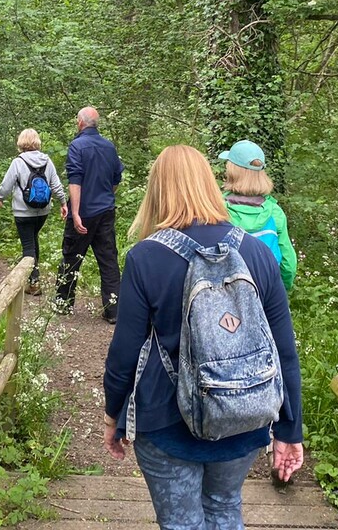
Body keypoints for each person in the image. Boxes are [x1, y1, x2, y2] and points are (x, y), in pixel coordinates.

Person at [102, 146, 304, 530]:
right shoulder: (257, 253)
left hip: (164, 421)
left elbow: (124, 353)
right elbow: (284, 351)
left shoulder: (146, 257)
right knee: (225, 507)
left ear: (157, 190)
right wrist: (289, 429)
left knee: (180, 523)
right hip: (242, 417)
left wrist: (114, 415)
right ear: (211, 184)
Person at [54, 106, 125, 324]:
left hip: (84, 213)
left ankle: (63, 304)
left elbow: (75, 180)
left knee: (71, 256)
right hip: (105, 211)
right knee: (108, 259)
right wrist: (105, 197)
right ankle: (113, 310)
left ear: (80, 123)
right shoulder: (109, 146)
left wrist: (74, 213)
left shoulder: (77, 146)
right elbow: (116, 180)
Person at [219, 140, 297, 293]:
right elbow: (288, 264)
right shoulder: (274, 212)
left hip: (227, 296)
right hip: (265, 292)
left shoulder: (217, 209)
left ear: (232, 171)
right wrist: (280, 292)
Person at [0, 128, 68, 295]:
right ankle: (34, 277)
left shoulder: (18, 162)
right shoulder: (47, 161)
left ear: (21, 142)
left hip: (23, 211)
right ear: (37, 142)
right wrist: (63, 203)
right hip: (42, 211)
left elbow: (6, 185)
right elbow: (56, 185)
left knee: (28, 245)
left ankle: (33, 282)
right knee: (33, 240)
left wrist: (0, 197)